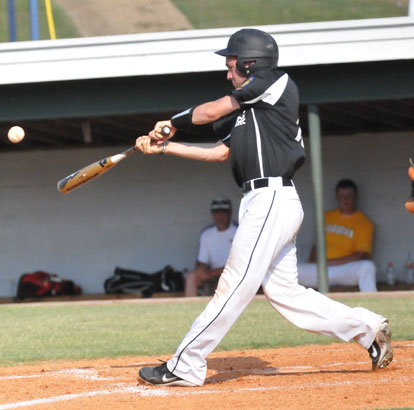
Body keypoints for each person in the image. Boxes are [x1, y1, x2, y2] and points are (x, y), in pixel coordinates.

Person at [135, 28, 393, 387]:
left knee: (233, 285)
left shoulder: (274, 82)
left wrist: (172, 124)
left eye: (232, 65)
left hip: (272, 199)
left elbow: (210, 110)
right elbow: (221, 152)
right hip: (263, 202)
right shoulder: (243, 110)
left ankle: (186, 363)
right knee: (285, 294)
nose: (228, 72)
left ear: (250, 62)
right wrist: (164, 148)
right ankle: (368, 329)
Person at [298, 179, 377, 292]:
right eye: (342, 196)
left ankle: (372, 302)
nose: (346, 199)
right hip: (320, 269)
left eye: (349, 195)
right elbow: (317, 246)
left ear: (355, 196)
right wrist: (313, 263)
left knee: (367, 266)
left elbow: (360, 255)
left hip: (344, 270)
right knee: (293, 270)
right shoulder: (326, 217)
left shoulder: (364, 223)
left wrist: (330, 263)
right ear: (337, 197)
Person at [185, 196, 237, 297]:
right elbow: (201, 261)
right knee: (191, 277)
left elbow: (242, 264)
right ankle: (189, 310)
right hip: (213, 274)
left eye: (224, 212)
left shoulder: (238, 231)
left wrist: (211, 273)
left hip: (233, 274)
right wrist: (201, 270)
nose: (220, 215)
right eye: (216, 212)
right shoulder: (207, 234)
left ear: (230, 213)